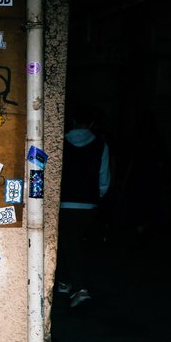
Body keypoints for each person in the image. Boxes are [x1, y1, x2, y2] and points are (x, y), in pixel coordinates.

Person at [57, 107, 111, 307]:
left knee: (67, 243)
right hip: (88, 204)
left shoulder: (60, 141)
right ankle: (67, 281)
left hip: (64, 202)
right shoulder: (100, 145)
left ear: (72, 120)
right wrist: (98, 196)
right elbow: (103, 176)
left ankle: (76, 287)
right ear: (91, 123)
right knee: (77, 244)